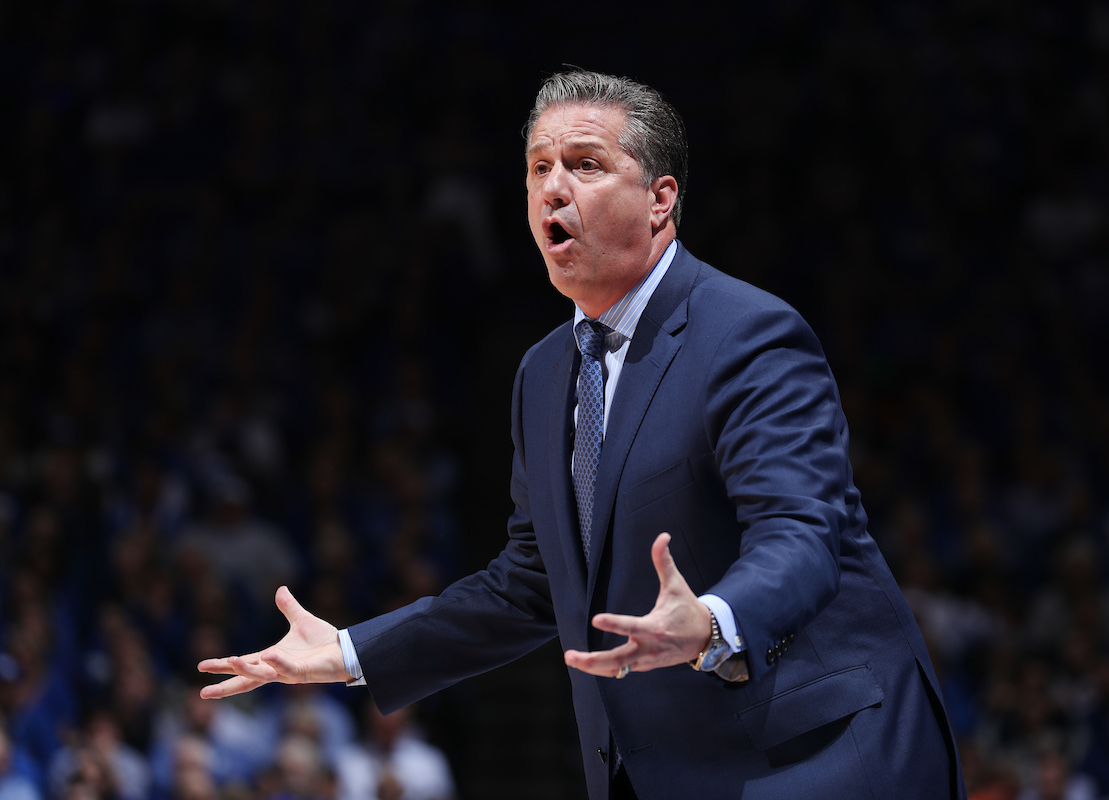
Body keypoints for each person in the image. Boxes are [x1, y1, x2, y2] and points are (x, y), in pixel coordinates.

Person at [199, 69, 967, 800]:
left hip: (820, 759)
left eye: (585, 164)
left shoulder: (749, 334)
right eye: (537, 169)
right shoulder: (542, 375)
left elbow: (802, 531)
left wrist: (711, 620)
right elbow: (533, 580)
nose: (551, 188)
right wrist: (352, 652)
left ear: (661, 200)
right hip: (667, 770)